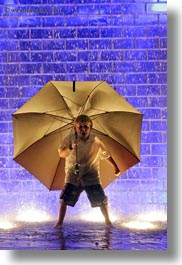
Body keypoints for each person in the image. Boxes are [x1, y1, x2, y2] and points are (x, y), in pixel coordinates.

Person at [55, 114, 120, 228]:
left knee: (101, 200)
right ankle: (59, 223)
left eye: (86, 127)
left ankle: (108, 221)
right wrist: (71, 147)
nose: (84, 129)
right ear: (75, 127)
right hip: (73, 176)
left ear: (90, 128)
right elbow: (62, 154)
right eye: (80, 127)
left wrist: (115, 167)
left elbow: (106, 154)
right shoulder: (70, 139)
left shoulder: (95, 140)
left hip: (91, 175)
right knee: (64, 199)